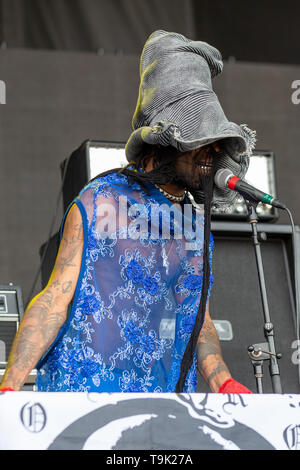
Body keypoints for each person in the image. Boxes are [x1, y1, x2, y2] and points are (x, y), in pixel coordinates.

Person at [0, 30, 256, 394]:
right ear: (166, 142)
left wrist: (223, 380)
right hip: (80, 409)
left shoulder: (194, 226)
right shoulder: (101, 199)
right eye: (201, 141)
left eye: (216, 144)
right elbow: (56, 295)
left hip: (161, 413)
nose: (212, 153)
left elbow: (199, 321)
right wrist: (9, 390)